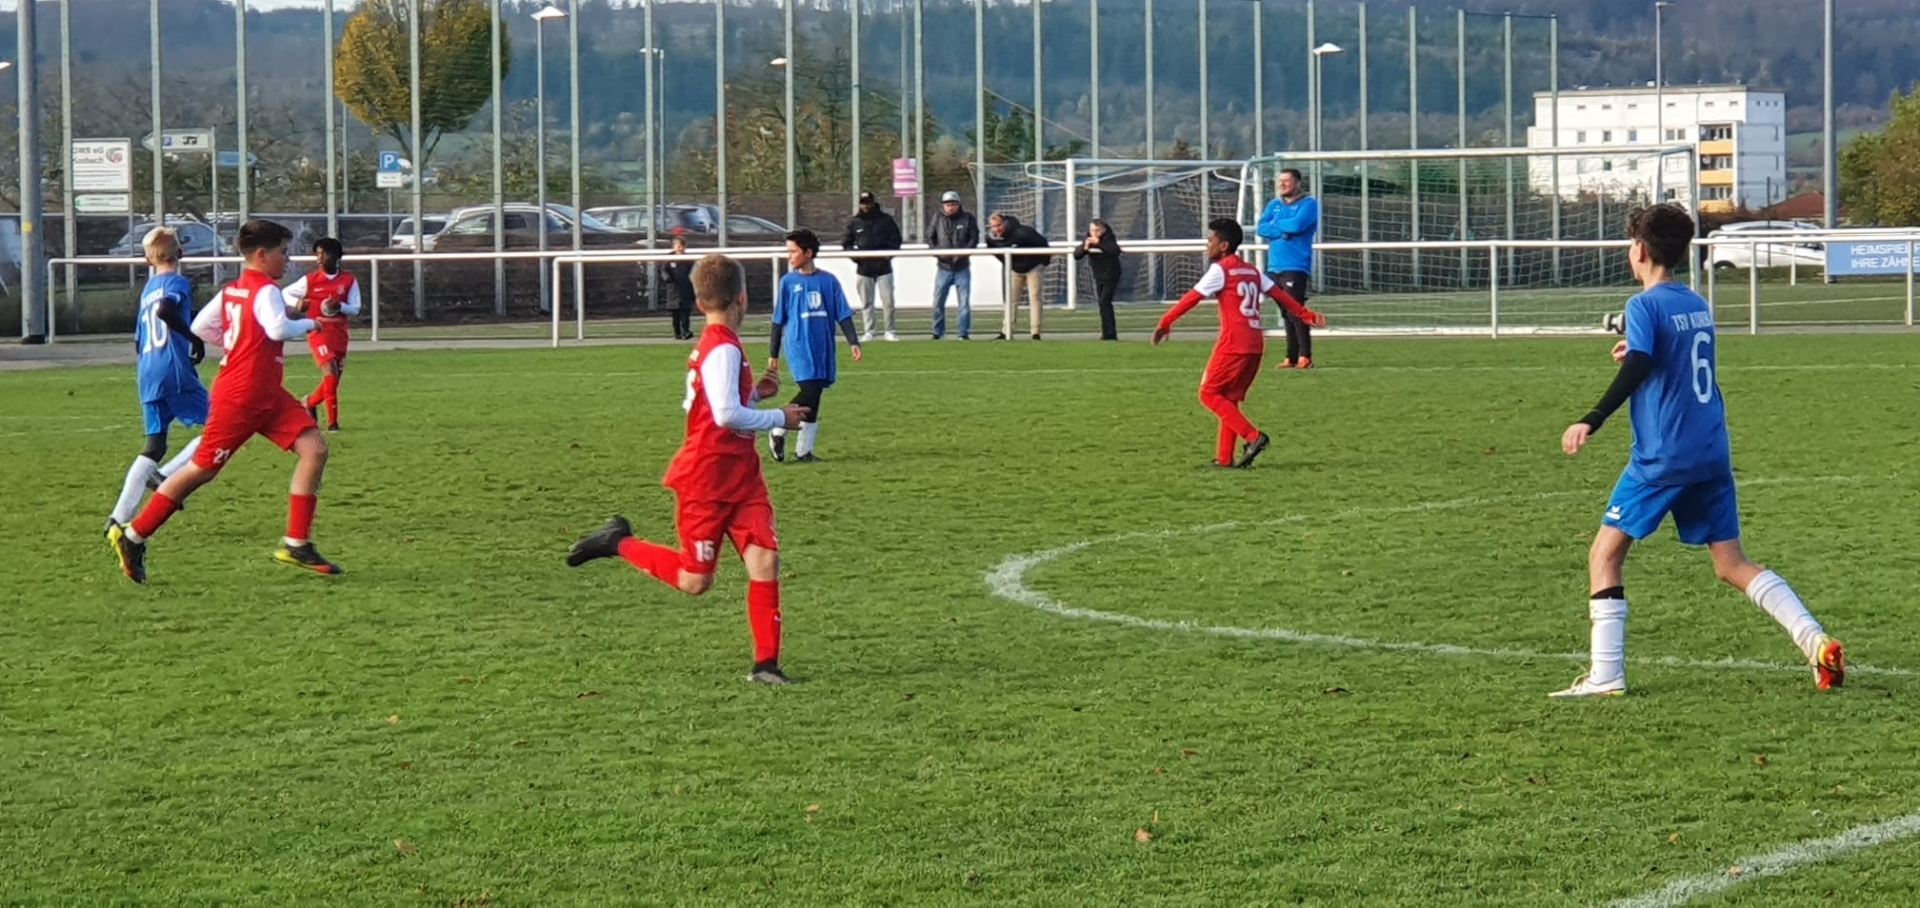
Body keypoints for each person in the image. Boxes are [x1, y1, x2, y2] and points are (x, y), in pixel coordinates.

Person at [1553, 203, 1846, 697]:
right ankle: (1815, 641)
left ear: (1640, 251)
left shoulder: (1642, 306)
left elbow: (1642, 363)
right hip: (1710, 449)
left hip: (1664, 455)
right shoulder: (1694, 302)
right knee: (1731, 564)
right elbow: (1673, 356)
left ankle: (1606, 675)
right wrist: (1640, 351)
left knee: (1604, 555)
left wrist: (1592, 417)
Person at [565, 253, 811, 685]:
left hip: (741, 478)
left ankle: (766, 666)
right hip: (706, 481)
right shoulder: (722, 348)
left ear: (698, 303)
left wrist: (756, 394)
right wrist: (779, 418)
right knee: (694, 581)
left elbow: (723, 404)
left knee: (766, 560)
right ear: (743, 298)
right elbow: (724, 415)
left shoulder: (723, 344)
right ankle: (617, 542)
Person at [108, 219, 340, 583]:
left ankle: (297, 543)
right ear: (261, 255)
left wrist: (238, 342)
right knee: (200, 470)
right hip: (241, 396)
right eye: (283, 252)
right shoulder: (265, 289)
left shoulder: (235, 289)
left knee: (315, 449)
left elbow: (202, 327)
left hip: (267, 393)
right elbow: (277, 329)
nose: (288, 259)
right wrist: (311, 324)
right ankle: (133, 535)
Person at [1152, 218, 1325, 469]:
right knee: (1228, 399)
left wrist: (1166, 321)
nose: (1207, 245)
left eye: (1210, 240)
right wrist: (1305, 314)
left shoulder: (1221, 270)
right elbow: (1280, 295)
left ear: (1223, 246)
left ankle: (1253, 437)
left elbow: (1192, 297)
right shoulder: (1252, 271)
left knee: (1208, 394)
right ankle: (1224, 458)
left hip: (1233, 343)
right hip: (1255, 344)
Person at [106, 227, 208, 537]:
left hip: (147, 371)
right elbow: (166, 310)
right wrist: (193, 339)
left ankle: (117, 518)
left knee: (154, 444)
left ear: (147, 259)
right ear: (181, 253)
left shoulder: (147, 290)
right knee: (220, 427)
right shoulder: (176, 283)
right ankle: (165, 476)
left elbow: (139, 340)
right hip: (172, 369)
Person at [768, 229, 862, 463]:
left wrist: (853, 341)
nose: (789, 256)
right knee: (809, 390)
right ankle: (778, 427)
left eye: (793, 251)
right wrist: (773, 353)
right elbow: (778, 320)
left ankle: (804, 451)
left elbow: (843, 313)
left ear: (808, 253)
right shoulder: (788, 282)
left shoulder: (828, 281)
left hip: (823, 347)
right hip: (799, 345)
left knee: (815, 394)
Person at [282, 237, 361, 433]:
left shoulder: (348, 280)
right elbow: (285, 293)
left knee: (333, 380)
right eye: (317, 254)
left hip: (339, 333)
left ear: (334, 255)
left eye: (322, 254)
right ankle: (333, 424)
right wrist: (297, 304)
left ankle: (308, 403)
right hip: (318, 331)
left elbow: (355, 308)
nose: (318, 258)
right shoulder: (310, 280)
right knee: (330, 371)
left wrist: (340, 306)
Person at [1255, 168, 1321, 369]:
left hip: (1295, 266)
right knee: (1285, 312)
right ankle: (1291, 357)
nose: (1282, 184)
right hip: (1274, 266)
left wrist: (1276, 226)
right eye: (1280, 181)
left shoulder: (1308, 204)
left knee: (1296, 310)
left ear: (1297, 183)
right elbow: (1261, 228)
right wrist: (1283, 230)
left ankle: (1305, 356)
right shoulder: (1274, 204)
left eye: (1286, 181)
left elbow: (1297, 225)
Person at [842, 190, 903, 342]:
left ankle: (890, 330)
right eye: (863, 203)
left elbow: (896, 240)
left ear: (873, 203)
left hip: (884, 267)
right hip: (864, 268)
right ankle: (869, 331)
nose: (866, 206)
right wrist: (856, 258)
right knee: (866, 302)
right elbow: (847, 243)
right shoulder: (855, 222)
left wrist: (888, 255)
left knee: (888, 302)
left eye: (868, 203)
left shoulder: (885, 220)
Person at [986, 212, 1051, 340]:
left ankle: (1035, 333)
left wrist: (1043, 263)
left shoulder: (1023, 232)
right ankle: (1006, 331)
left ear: (1005, 223)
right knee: (1011, 300)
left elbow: (1043, 243)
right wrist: (1009, 264)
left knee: (1035, 298)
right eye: (993, 226)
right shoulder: (991, 239)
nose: (997, 229)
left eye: (999, 225)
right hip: (1014, 269)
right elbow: (997, 254)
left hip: (1033, 267)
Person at [926, 190, 980, 340]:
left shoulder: (968, 218)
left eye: (953, 204)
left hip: (962, 267)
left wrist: (964, 253)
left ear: (958, 204)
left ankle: (963, 333)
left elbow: (974, 238)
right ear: (943, 205)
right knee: (938, 302)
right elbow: (930, 237)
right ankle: (938, 332)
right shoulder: (937, 218)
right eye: (948, 204)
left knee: (964, 303)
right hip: (943, 267)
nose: (951, 207)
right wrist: (939, 254)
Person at [1072, 219, 1124, 341]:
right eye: (1092, 230)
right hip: (1098, 276)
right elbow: (1077, 255)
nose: (1094, 233)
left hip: (1111, 275)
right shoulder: (1088, 239)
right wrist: (1085, 247)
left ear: (1103, 230)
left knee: (1104, 302)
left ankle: (1109, 333)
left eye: (1097, 230)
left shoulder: (1108, 238)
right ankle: (1107, 332)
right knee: (1103, 304)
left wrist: (1099, 243)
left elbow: (1114, 250)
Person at [658, 230, 698, 340]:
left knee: (685, 313)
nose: (680, 248)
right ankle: (677, 332)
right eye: (678, 246)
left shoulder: (689, 260)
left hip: (686, 290)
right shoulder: (668, 259)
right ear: (674, 247)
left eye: (682, 246)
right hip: (674, 290)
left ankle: (686, 331)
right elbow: (663, 270)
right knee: (675, 314)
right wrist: (667, 278)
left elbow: (693, 271)